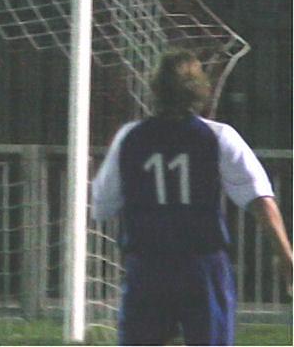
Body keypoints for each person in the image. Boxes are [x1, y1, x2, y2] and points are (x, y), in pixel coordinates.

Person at [91, 47, 292, 346]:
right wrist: (286, 257)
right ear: (202, 92)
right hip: (202, 266)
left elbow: (101, 206)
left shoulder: (130, 137)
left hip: (148, 264)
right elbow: (261, 200)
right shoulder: (219, 137)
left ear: (156, 89)